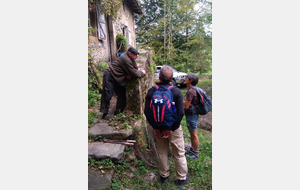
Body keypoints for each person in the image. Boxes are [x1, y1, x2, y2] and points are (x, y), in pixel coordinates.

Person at [144, 65, 189, 188]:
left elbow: (147, 111)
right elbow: (180, 113)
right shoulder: (176, 91)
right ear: (171, 78)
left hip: (158, 127)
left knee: (162, 152)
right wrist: (171, 129)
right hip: (173, 128)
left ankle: (164, 176)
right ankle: (181, 179)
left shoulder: (152, 91)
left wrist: (156, 127)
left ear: (159, 76)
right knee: (179, 153)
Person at [100, 46, 145, 120]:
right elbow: (134, 73)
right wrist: (142, 73)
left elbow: (134, 69)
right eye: (135, 54)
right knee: (107, 95)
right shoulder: (125, 59)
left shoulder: (131, 59)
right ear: (130, 53)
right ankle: (105, 114)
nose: (137, 56)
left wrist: (130, 72)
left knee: (122, 94)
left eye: (137, 55)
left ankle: (118, 111)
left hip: (117, 77)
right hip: (110, 75)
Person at [183, 73, 200, 159]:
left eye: (186, 78)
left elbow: (185, 106)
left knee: (193, 134)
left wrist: (182, 101)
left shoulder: (191, 91)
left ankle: (195, 153)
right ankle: (193, 150)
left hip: (192, 115)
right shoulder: (193, 89)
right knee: (192, 133)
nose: (184, 79)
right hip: (193, 114)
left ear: (190, 81)